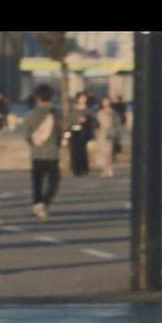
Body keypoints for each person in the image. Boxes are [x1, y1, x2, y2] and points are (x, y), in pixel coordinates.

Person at [24, 84, 63, 222]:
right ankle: (44, 203)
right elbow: (60, 132)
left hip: (37, 153)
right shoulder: (56, 113)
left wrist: (34, 144)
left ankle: (37, 203)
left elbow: (27, 135)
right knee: (54, 181)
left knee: (37, 182)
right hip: (52, 153)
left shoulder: (31, 114)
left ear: (37, 97)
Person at [66, 92, 96, 177]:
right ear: (78, 99)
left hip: (84, 132)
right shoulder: (73, 110)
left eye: (84, 98)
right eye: (81, 98)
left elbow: (94, 121)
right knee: (74, 151)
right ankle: (76, 169)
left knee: (82, 151)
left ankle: (84, 168)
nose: (83, 100)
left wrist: (86, 119)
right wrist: (67, 130)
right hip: (74, 131)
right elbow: (69, 121)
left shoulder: (88, 110)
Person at [93, 97, 121, 178]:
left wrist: (116, 133)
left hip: (111, 133)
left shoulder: (114, 113)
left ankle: (109, 168)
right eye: (104, 102)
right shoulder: (100, 113)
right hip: (102, 134)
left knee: (109, 152)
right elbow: (97, 124)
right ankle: (105, 169)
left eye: (107, 101)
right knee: (102, 152)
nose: (106, 103)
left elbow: (117, 123)